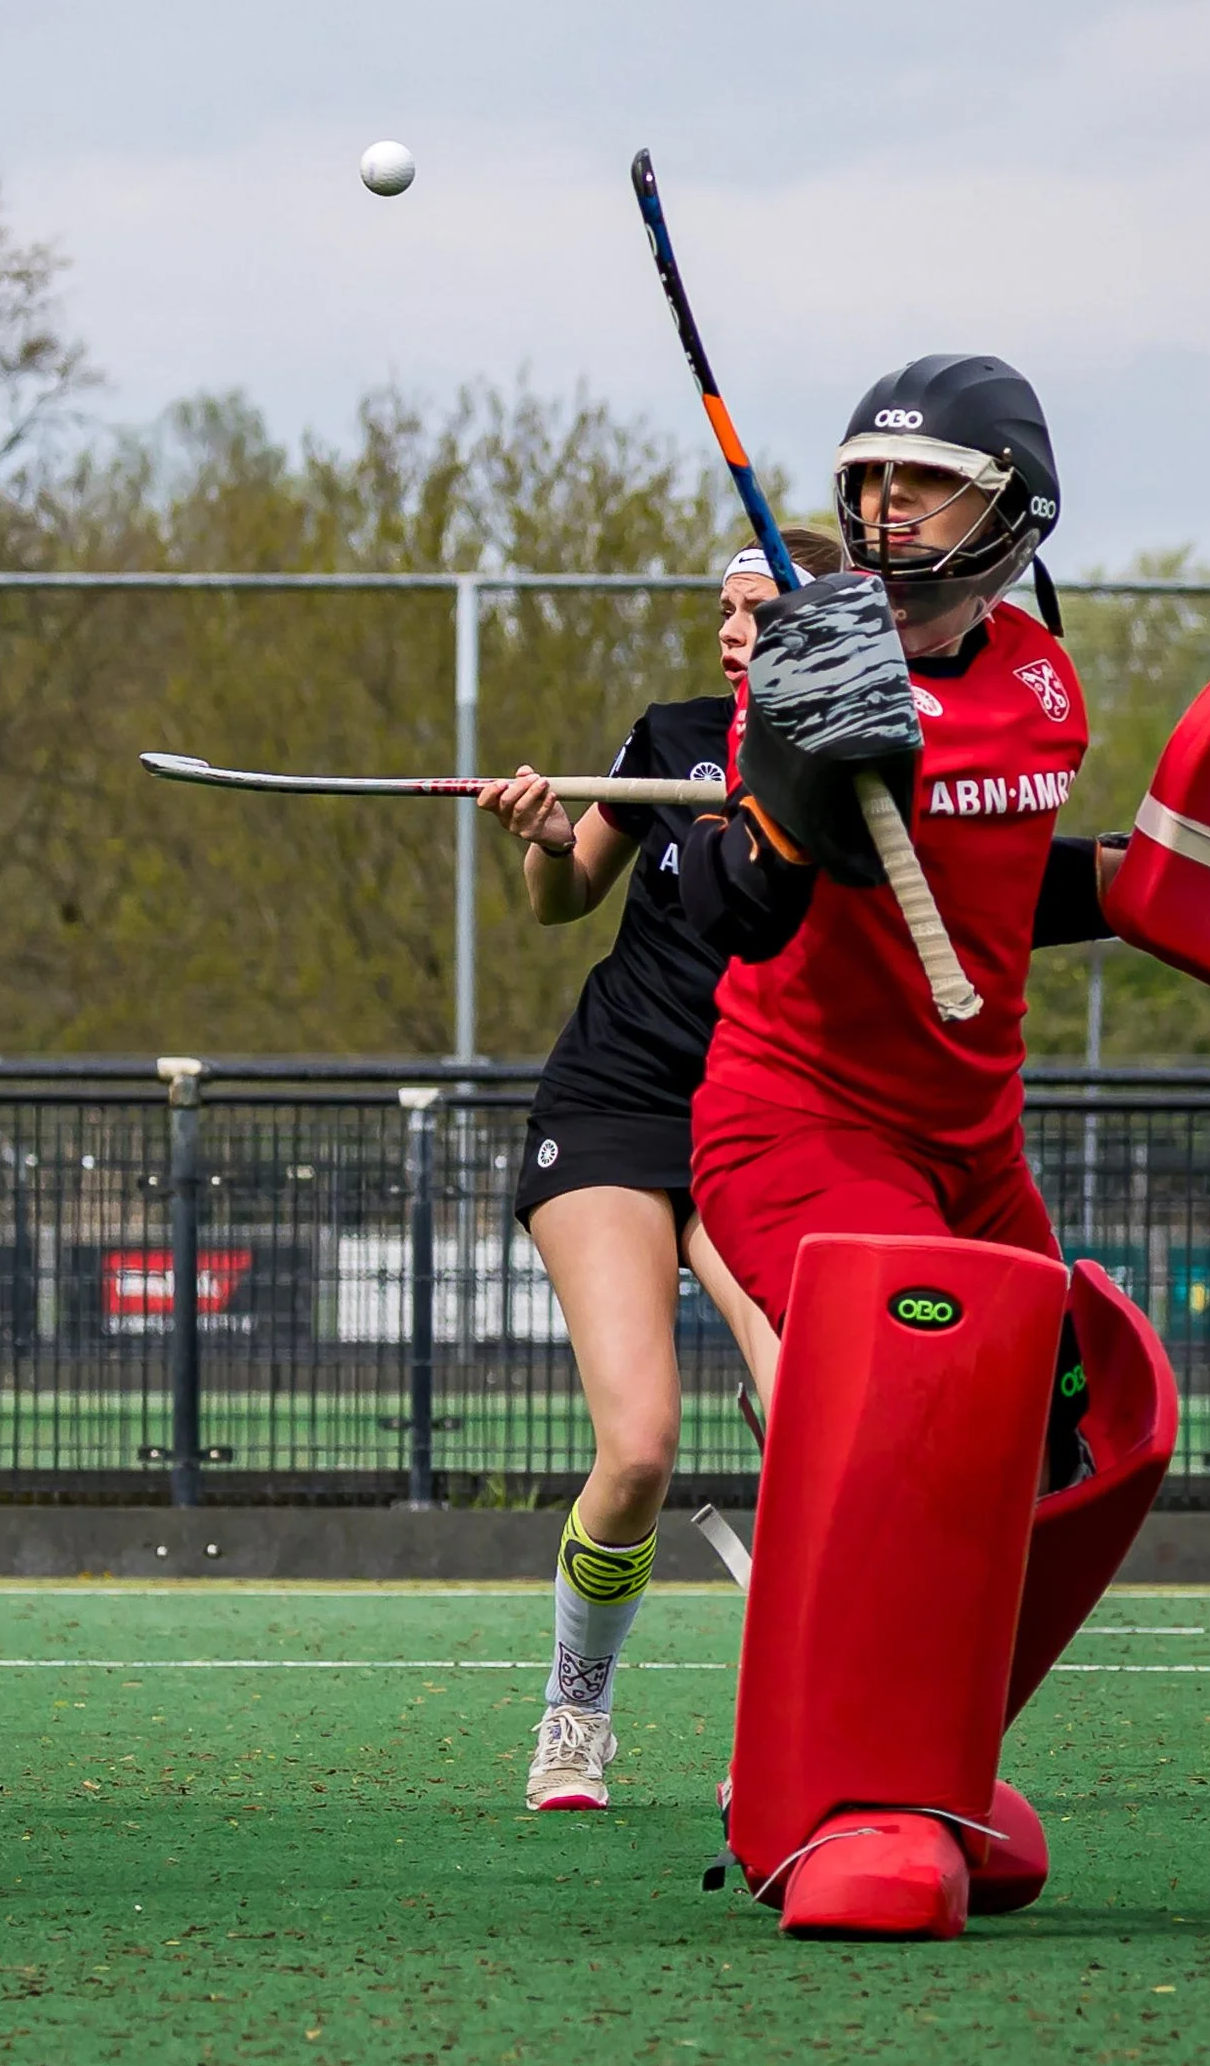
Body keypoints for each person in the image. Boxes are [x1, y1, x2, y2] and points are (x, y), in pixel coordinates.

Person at [677, 355, 1133, 1932]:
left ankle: (918, 1755)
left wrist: (1151, 883)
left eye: (921, 484)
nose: (883, 512)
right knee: (911, 1396)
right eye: (868, 482)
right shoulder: (808, 665)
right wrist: (789, 788)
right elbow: (740, 910)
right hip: (800, 1122)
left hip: (975, 1145)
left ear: (1012, 512)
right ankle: (818, 1798)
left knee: (1088, 1434)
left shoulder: (1046, 682)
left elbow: (1004, 875)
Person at [475, 526, 841, 1815]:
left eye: (760, 610)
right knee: (637, 1448)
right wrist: (542, 834)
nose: (733, 630)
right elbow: (563, 895)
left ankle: (804, 1728)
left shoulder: (859, 765)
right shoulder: (671, 735)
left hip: (764, 1116)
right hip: (616, 1105)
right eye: (724, 608)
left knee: (815, 1423)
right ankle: (576, 1708)